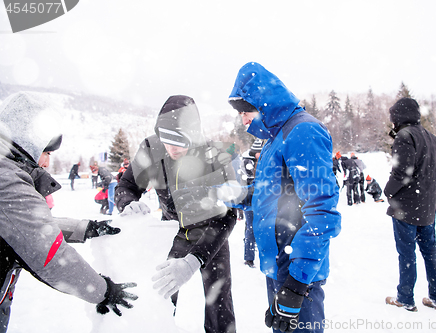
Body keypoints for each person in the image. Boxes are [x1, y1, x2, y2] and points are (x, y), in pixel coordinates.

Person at [0, 92, 137, 333]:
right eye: (47, 153)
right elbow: (50, 255)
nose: (46, 162)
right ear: (28, 142)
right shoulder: (7, 180)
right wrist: (104, 291)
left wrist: (86, 228)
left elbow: (23, 225)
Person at [228, 62, 341, 333]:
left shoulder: (302, 131)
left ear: (265, 102)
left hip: (298, 268)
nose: (243, 119)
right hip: (281, 262)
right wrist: (236, 195)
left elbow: (321, 211)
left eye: (247, 110)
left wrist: (297, 284)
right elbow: (274, 193)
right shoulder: (274, 139)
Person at [115, 95, 239, 333]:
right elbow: (126, 187)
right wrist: (127, 203)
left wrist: (195, 260)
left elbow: (227, 215)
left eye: (179, 140)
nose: (172, 147)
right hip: (173, 230)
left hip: (211, 233)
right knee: (162, 294)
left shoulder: (212, 155)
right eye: (166, 139)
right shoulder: (152, 150)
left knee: (219, 301)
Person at [383, 97, 436, 312]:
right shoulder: (431, 137)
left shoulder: (404, 136)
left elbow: (402, 172)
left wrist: (387, 191)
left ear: (398, 117)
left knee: (407, 253)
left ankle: (405, 298)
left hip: (407, 208)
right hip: (427, 206)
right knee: (430, 251)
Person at [241, 138, 263, 268]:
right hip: (250, 199)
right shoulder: (248, 163)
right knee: (251, 227)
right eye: (258, 153)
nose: (259, 155)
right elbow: (246, 182)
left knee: (252, 226)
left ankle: (249, 246)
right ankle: (249, 258)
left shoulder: (261, 162)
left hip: (260, 199)